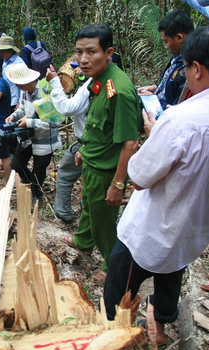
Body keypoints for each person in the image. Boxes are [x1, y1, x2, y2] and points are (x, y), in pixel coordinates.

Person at [103, 26, 209, 346]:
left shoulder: (182, 120)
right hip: (197, 227)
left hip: (149, 230)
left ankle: (115, 333)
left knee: (120, 280)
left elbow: (140, 177)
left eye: (185, 67)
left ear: (196, 68)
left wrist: (155, 132)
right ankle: (161, 322)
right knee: (172, 269)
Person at [64, 24, 141, 278]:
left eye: (91, 52)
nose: (83, 60)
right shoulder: (98, 80)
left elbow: (130, 144)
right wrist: (84, 150)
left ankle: (113, 267)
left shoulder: (118, 90)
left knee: (104, 224)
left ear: (108, 53)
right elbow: (100, 128)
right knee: (89, 208)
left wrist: (118, 185)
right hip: (93, 162)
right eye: (78, 52)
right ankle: (84, 241)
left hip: (107, 171)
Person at [4, 63, 62, 206]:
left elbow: (53, 123)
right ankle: (31, 183)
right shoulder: (26, 91)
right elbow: (23, 107)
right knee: (16, 164)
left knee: (39, 171)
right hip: (28, 137)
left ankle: (37, 193)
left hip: (44, 140)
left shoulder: (45, 91)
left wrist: (29, 122)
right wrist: (14, 115)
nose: (17, 86)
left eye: (19, 83)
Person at [46, 64, 92, 224]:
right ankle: (86, 206)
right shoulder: (105, 82)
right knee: (89, 177)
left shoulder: (89, 86)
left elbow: (67, 108)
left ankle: (63, 211)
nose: (78, 71)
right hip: (92, 141)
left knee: (65, 174)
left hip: (87, 142)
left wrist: (55, 83)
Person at [138, 10, 194, 113]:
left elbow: (177, 110)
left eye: (166, 41)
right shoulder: (178, 58)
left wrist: (152, 99)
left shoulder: (189, 68)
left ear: (179, 38)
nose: (166, 46)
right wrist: (156, 87)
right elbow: (171, 84)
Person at [0, 36, 25, 113]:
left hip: (15, 102)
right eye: (0, 50)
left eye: (4, 50)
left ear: (11, 50)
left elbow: (24, 84)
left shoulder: (18, 63)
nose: (1, 53)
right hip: (8, 100)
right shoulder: (5, 62)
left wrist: (20, 102)